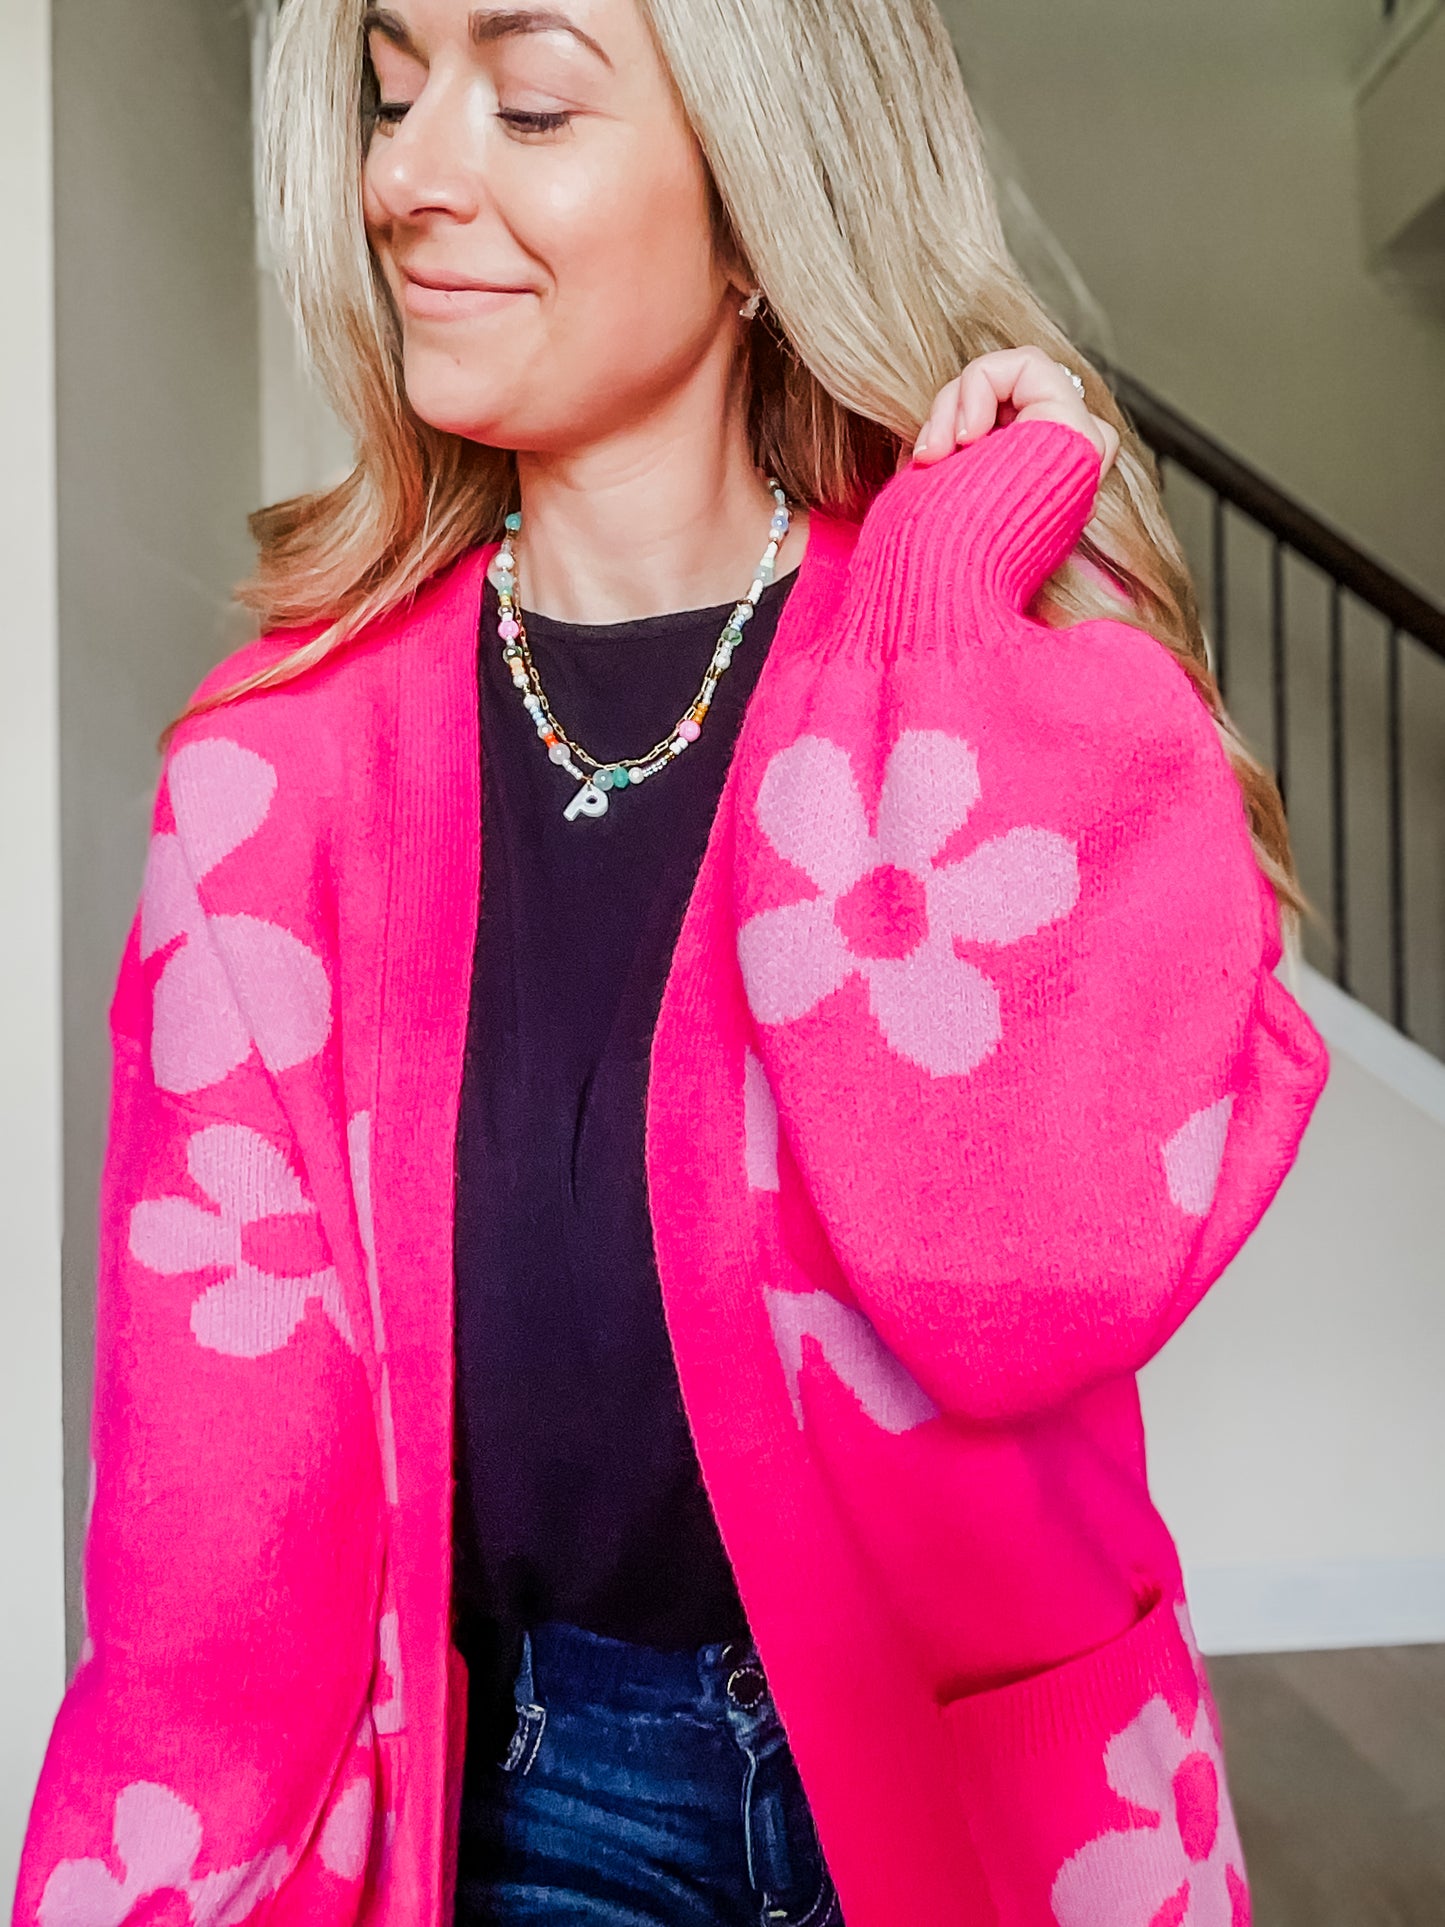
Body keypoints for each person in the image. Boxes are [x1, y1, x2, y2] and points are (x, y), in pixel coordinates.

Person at [14, 0, 1330, 1923]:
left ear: (751, 216)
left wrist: (955, 614)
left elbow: (1028, 1274)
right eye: (393, 92)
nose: (408, 176)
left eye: (530, 102)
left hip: (1009, 1798)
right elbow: (212, 1564)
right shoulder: (270, 790)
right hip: (557, 1815)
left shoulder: (976, 669)